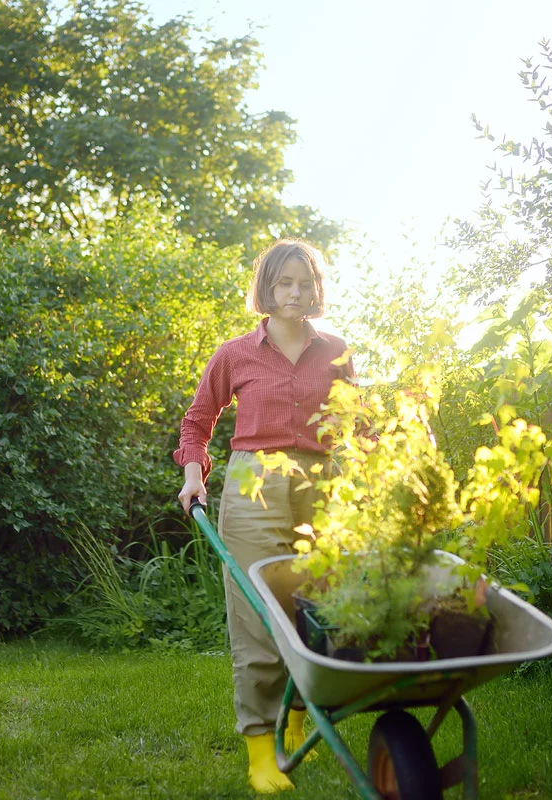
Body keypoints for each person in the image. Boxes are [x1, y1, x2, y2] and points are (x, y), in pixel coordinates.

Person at [174, 238, 354, 793]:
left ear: (315, 288)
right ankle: (259, 748)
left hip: (320, 485)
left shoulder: (338, 350)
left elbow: (355, 426)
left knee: (316, 611)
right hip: (253, 482)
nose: (294, 292)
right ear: (267, 290)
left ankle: (296, 723)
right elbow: (198, 421)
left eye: (303, 282)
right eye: (283, 282)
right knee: (257, 617)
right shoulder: (235, 354)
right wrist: (193, 474)